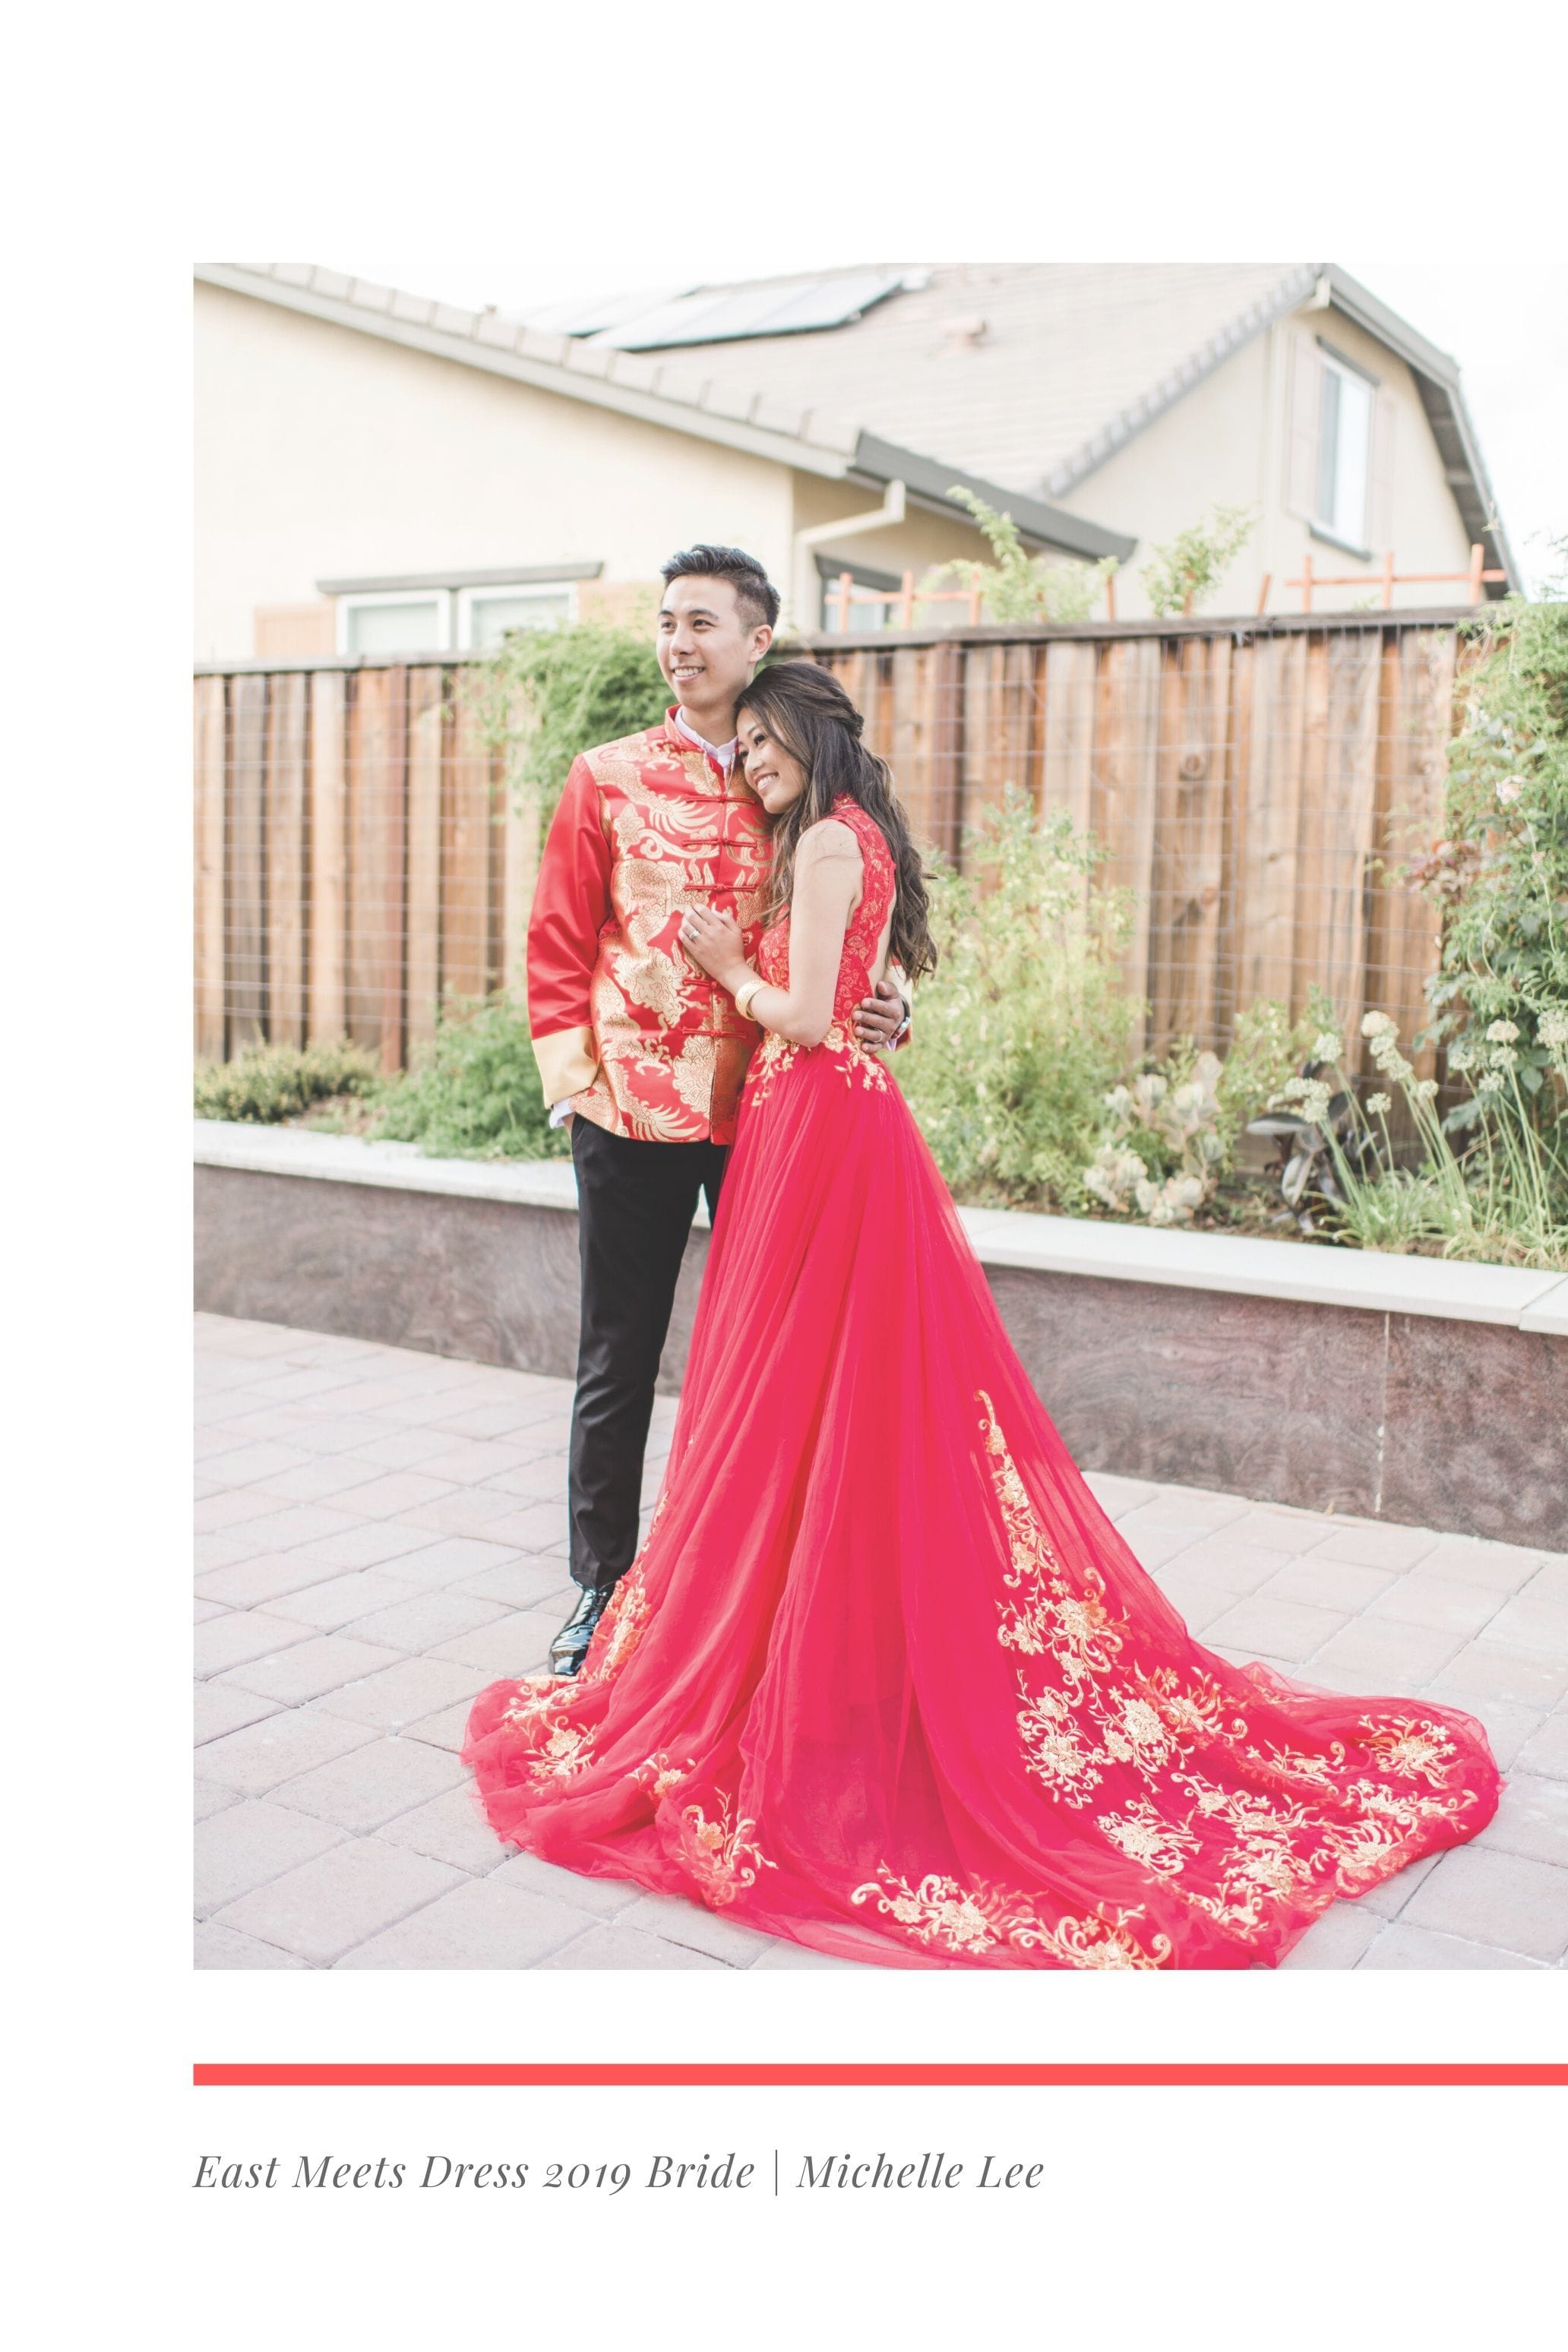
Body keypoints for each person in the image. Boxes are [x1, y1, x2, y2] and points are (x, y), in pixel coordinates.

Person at [464, 661, 1500, 1970]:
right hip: (790, 1124)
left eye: (772, 744)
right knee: (804, 1400)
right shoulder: (825, 836)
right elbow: (839, 997)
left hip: (814, 1128)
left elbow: (816, 1012)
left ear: (809, 735)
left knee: (805, 1395)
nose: (754, 763)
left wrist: (734, 966)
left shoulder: (829, 844)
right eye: (749, 750)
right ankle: (797, 1637)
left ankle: (816, 1666)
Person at [526, 546, 908, 1675]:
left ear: (757, 643)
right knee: (619, 1357)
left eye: (703, 623)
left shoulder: (790, 773)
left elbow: (862, 923)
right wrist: (571, 1091)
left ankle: (760, 1598)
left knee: (773, 1364)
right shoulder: (606, 775)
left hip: (776, 1119)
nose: (678, 644)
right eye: (667, 622)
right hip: (629, 1110)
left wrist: (892, 1007)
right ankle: (602, 1587)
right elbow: (559, 937)